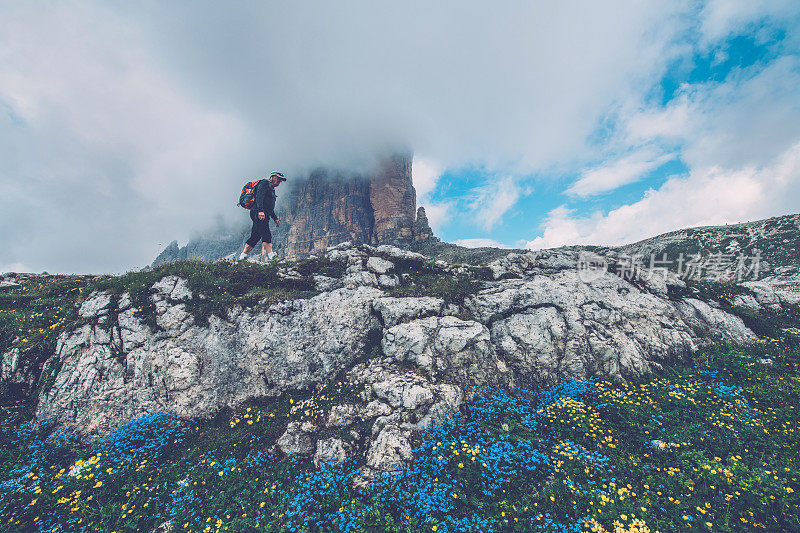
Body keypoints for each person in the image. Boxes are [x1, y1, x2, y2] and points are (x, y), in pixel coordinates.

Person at [238, 171, 286, 262]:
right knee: (266, 234)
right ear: (273, 177)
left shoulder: (271, 189)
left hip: (263, 213)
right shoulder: (265, 183)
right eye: (278, 179)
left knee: (255, 236)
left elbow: (269, 207)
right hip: (258, 212)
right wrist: (260, 210)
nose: (280, 181)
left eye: (281, 180)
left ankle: (242, 257)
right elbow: (259, 197)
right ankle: (272, 257)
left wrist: (275, 218)